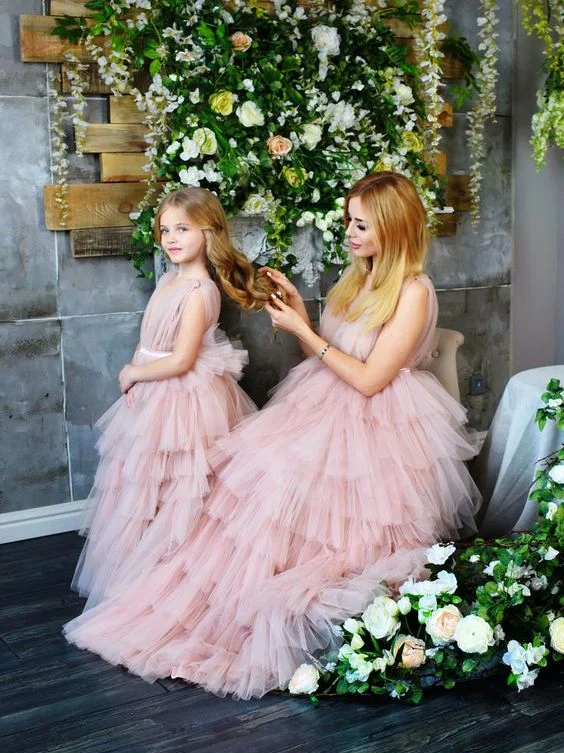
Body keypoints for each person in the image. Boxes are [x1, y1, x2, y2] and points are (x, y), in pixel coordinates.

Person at [64, 172, 481, 697]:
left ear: (394, 228)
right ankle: (207, 601)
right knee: (249, 493)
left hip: (376, 422)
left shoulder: (414, 290)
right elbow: (334, 355)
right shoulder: (362, 277)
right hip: (325, 401)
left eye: (361, 225)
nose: (349, 233)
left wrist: (304, 330)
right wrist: (303, 314)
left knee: (314, 521)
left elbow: (372, 380)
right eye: (348, 220)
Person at [70, 187, 273, 608]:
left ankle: (172, 574)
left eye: (183, 228)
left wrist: (132, 373)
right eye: (165, 229)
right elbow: (150, 341)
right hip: (152, 392)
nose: (172, 238)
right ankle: (137, 572)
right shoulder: (169, 279)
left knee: (180, 489)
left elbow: (181, 360)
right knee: (144, 486)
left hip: (181, 399)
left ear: (209, 232)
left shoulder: (200, 290)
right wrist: (137, 374)